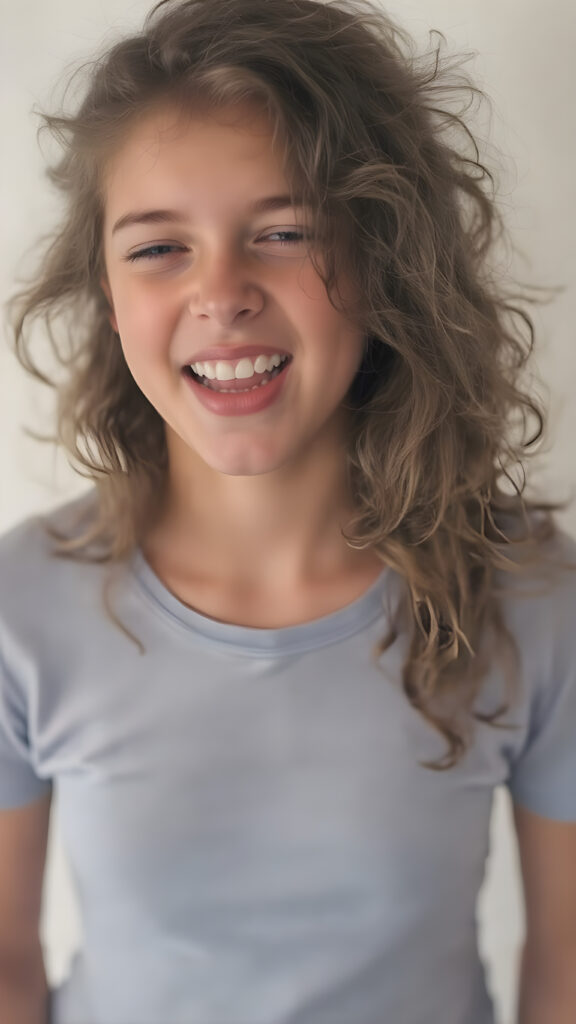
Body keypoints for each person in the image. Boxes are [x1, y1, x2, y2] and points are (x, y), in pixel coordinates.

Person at [1, 0, 575, 1021]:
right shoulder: (21, 603)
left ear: (383, 255)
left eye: (284, 232)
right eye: (159, 248)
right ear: (106, 287)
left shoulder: (527, 590)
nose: (222, 292)